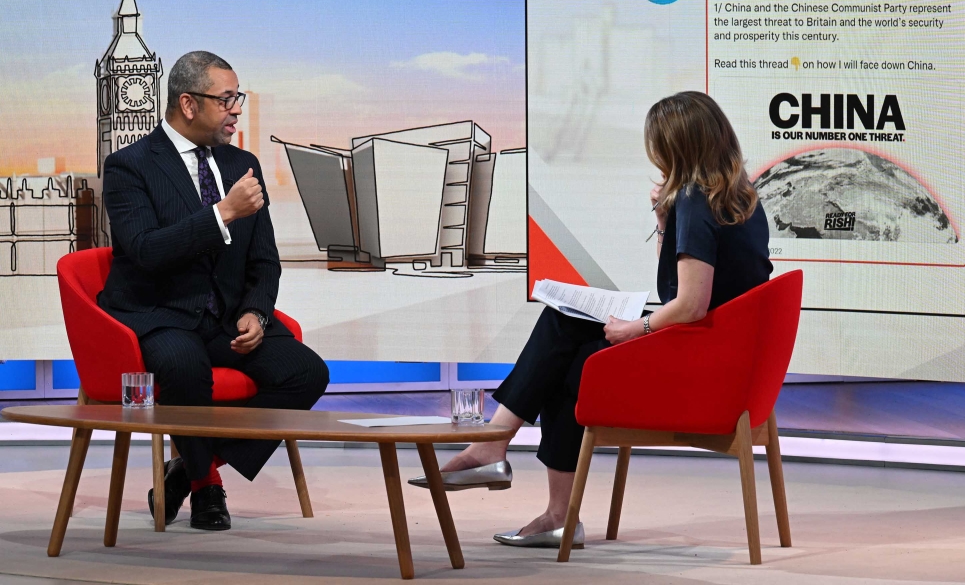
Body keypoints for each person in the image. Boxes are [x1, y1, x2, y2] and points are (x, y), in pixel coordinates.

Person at [410, 91, 772, 547]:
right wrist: (663, 221)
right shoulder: (739, 198)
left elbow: (690, 304)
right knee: (566, 332)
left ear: (676, 147)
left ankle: (515, 468)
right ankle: (522, 478)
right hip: (722, 362)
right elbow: (680, 293)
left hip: (700, 373)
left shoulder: (697, 200)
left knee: (568, 355)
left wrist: (635, 328)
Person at [98, 51, 329, 531]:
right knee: (184, 367)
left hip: (225, 319)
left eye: (238, 98)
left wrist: (256, 313)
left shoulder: (242, 164)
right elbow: (145, 250)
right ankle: (207, 486)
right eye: (226, 99)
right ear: (188, 104)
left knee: (307, 373)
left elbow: (264, 260)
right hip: (161, 312)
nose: (236, 109)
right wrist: (223, 213)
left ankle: (187, 469)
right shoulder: (129, 166)